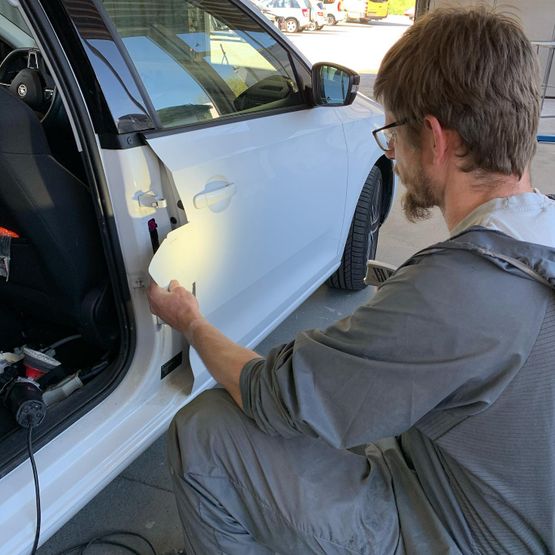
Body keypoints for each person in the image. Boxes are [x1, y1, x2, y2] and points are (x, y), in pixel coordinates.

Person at [148, 7, 555, 554]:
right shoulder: (537, 239)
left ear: (434, 139)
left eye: (393, 134)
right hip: (505, 510)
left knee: (206, 431)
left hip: (450, 528)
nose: (392, 152)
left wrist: (191, 322)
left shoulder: (462, 288)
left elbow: (275, 396)